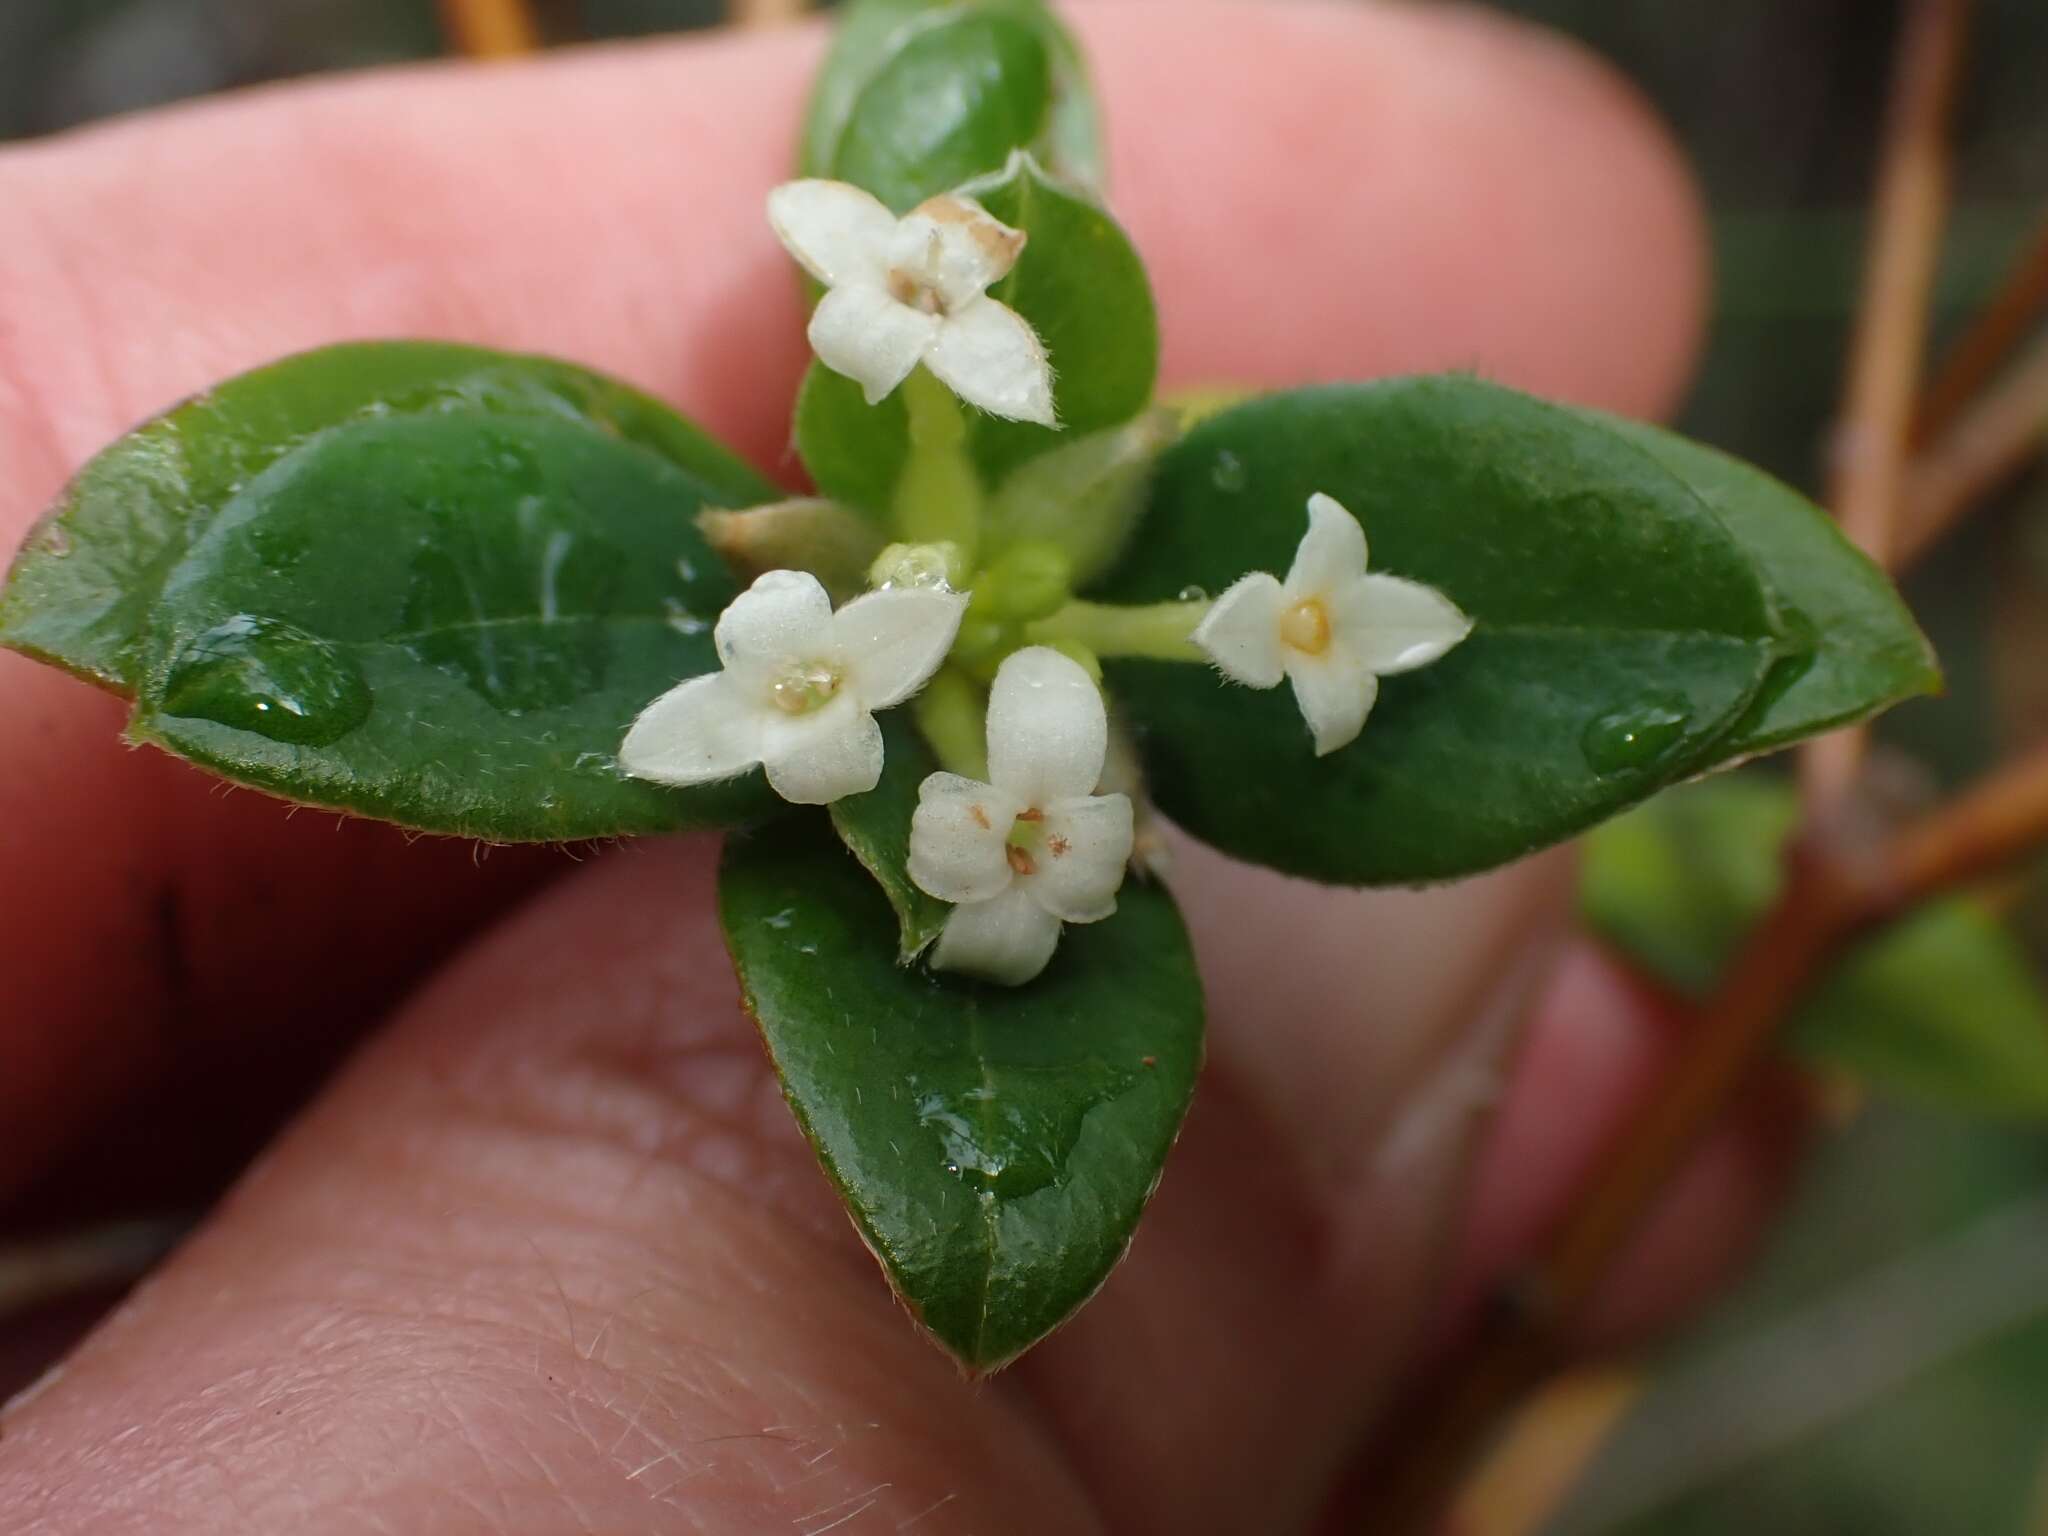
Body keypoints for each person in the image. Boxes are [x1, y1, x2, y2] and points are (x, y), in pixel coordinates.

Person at [0, 4, 1798, 1529]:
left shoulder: (1021, 713)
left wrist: (981, 698)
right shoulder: (866, 669)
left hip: (954, 656)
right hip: (887, 651)